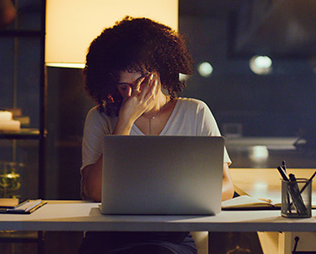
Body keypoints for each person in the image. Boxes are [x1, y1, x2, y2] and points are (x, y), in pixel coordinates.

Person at [79, 17, 234, 254]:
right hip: (109, 234)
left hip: (170, 236)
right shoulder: (100, 117)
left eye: (141, 80)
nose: (134, 93)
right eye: (123, 86)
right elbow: (95, 191)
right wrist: (125, 121)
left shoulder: (195, 112)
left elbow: (225, 186)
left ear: (161, 70)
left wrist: (174, 201)